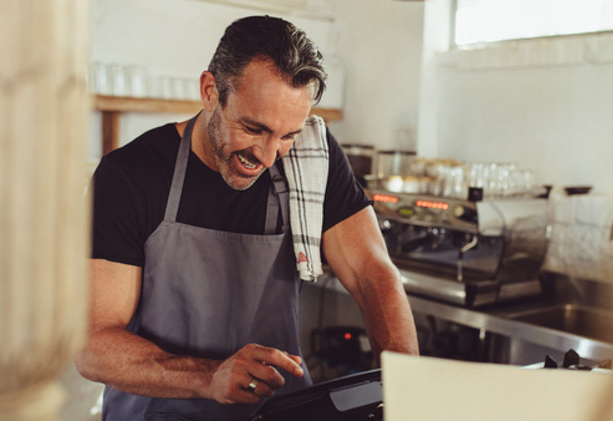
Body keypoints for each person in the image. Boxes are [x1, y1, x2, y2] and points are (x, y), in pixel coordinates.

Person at [75, 15, 418, 421]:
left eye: (287, 135)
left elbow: (372, 274)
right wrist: (209, 377)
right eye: (254, 128)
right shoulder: (130, 175)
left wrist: (407, 391)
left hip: (279, 412)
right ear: (210, 91)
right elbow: (93, 347)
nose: (269, 155)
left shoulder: (312, 161)